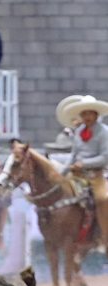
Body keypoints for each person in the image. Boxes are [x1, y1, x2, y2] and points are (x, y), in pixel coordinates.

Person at [60, 95, 108, 246]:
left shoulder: (104, 132)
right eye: (84, 114)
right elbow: (73, 155)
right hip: (76, 175)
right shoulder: (78, 132)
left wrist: (84, 163)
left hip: (96, 175)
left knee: (102, 199)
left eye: (89, 113)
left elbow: (104, 158)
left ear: (96, 114)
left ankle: (105, 235)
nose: (86, 117)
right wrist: (61, 172)